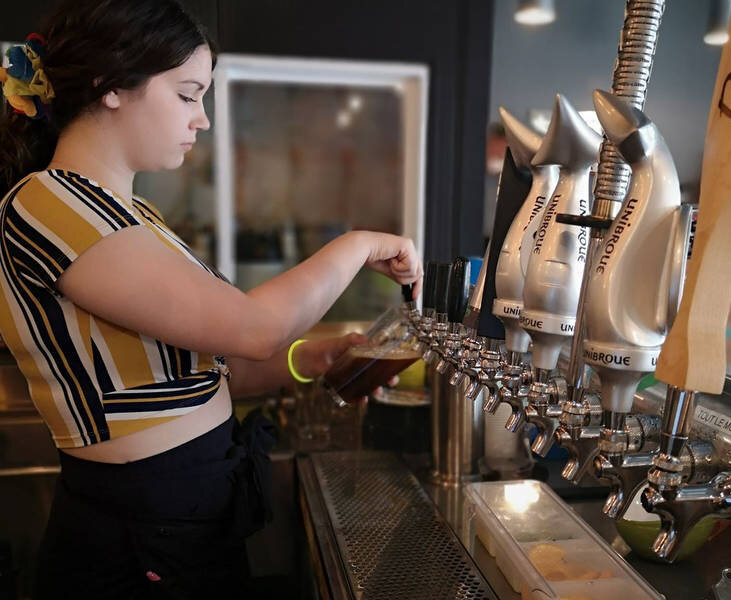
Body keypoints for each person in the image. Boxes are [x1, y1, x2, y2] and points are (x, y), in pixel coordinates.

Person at [0, 1, 423, 598]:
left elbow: (205, 372)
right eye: (187, 94)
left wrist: (312, 359)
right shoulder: (46, 203)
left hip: (184, 521)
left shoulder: (132, 215)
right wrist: (358, 245)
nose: (202, 120)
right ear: (110, 85)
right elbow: (255, 328)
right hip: (138, 536)